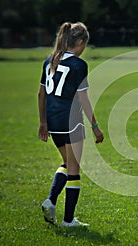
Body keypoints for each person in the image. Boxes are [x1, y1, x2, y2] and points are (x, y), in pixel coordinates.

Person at [38, 22, 103, 227]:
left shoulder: (50, 60)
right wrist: (95, 127)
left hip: (53, 121)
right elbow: (82, 98)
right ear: (81, 42)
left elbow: (41, 94)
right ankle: (68, 220)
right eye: (85, 45)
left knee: (67, 164)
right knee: (74, 170)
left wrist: (42, 122)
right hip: (72, 121)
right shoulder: (78, 64)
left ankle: (51, 200)